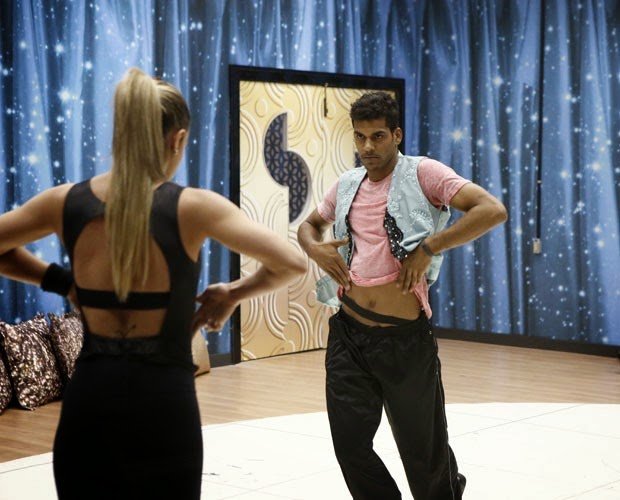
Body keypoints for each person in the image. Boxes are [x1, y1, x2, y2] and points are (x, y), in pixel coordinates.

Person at [0, 67, 307, 500]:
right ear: (177, 140)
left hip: (89, 405)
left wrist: (61, 280)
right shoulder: (195, 207)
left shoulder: (64, 202)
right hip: (164, 409)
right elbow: (291, 263)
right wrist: (232, 294)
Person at [297, 91, 507, 500]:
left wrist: (429, 247)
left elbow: (491, 210)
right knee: (350, 446)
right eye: (360, 137)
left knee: (423, 452)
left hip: (404, 340)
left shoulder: (423, 173)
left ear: (396, 135)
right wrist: (314, 249)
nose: (367, 147)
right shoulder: (347, 184)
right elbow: (310, 226)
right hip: (348, 334)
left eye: (377, 136)